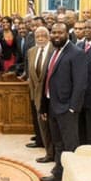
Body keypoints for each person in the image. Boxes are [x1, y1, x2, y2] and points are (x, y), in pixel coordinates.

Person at [40, 23, 88, 181]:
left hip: (67, 108)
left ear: (68, 33)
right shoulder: (55, 51)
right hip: (53, 106)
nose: (56, 35)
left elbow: (80, 84)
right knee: (58, 144)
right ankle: (59, 174)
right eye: (53, 32)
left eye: (60, 32)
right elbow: (48, 80)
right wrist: (44, 106)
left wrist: (73, 108)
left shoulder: (76, 53)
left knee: (70, 147)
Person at [26, 26, 54, 163]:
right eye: (38, 36)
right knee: (42, 126)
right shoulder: (31, 51)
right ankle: (48, 153)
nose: (41, 38)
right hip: (36, 96)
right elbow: (31, 77)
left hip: (51, 96)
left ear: (48, 36)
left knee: (52, 127)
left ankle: (55, 153)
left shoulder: (54, 50)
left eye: (43, 35)